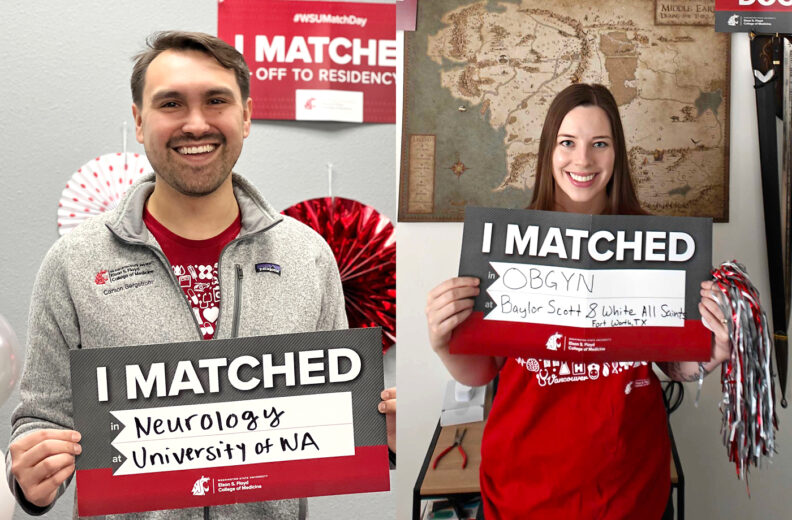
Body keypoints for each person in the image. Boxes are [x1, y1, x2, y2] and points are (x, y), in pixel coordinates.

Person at [6, 31, 351, 519]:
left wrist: (385, 434)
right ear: (139, 120)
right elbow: (44, 418)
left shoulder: (307, 255)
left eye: (216, 101)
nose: (196, 123)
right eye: (171, 103)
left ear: (246, 116)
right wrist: (30, 476)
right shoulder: (73, 262)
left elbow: (336, 411)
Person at [425, 84, 730, 519]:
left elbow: (672, 365)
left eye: (599, 144)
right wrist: (443, 342)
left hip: (629, 489)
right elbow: (484, 371)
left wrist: (710, 356)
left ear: (616, 153)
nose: (582, 160)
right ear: (548, 151)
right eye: (567, 142)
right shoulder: (504, 241)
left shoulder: (657, 242)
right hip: (523, 489)